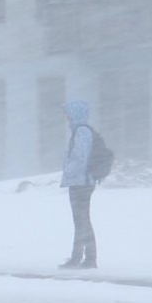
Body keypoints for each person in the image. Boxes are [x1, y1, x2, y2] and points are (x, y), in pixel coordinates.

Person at [58, 100, 98, 269]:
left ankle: (86, 258)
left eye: (68, 113)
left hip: (80, 182)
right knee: (81, 220)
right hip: (81, 181)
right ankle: (83, 257)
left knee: (82, 221)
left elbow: (80, 158)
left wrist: (68, 170)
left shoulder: (81, 132)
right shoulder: (80, 131)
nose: (66, 117)